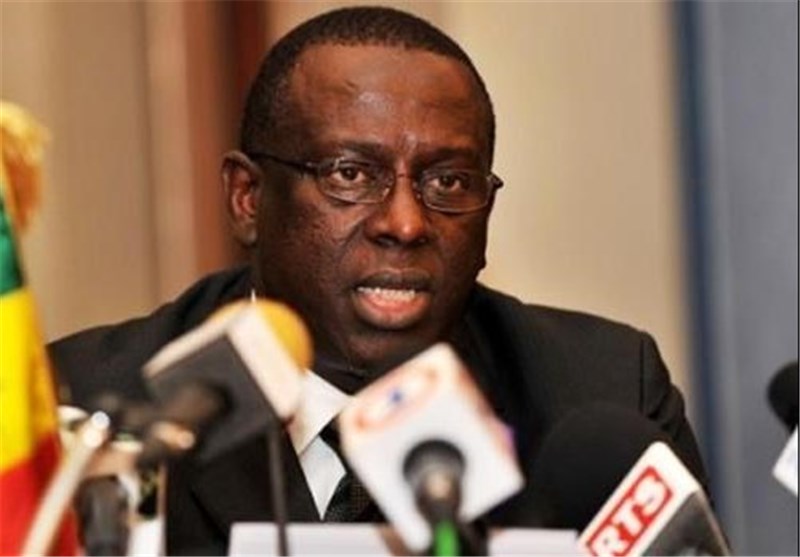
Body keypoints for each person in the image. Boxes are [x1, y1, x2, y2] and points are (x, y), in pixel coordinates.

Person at [50, 6, 709, 555]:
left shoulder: (598, 393)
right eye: (350, 174)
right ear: (248, 197)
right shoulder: (80, 410)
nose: (405, 223)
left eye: (448, 181)